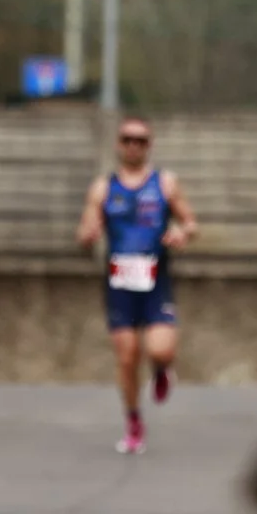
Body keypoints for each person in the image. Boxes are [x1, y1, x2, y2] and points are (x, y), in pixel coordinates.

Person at [74, 115, 198, 454]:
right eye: (127, 139)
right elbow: (85, 230)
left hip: (156, 280)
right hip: (120, 283)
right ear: (118, 144)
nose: (133, 146)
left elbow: (191, 222)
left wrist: (181, 232)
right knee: (127, 356)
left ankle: (162, 370)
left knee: (160, 350)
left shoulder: (165, 183)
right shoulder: (103, 188)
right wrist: (88, 234)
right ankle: (133, 422)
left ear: (149, 145)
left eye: (140, 140)